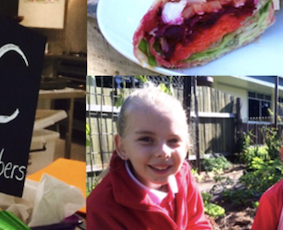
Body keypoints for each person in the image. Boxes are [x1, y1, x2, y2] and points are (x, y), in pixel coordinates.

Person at [87, 85, 212, 229]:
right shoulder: (102, 208)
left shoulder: (183, 175)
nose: (163, 152)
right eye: (146, 139)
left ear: (186, 146)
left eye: (173, 140)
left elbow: (196, 223)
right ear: (121, 147)